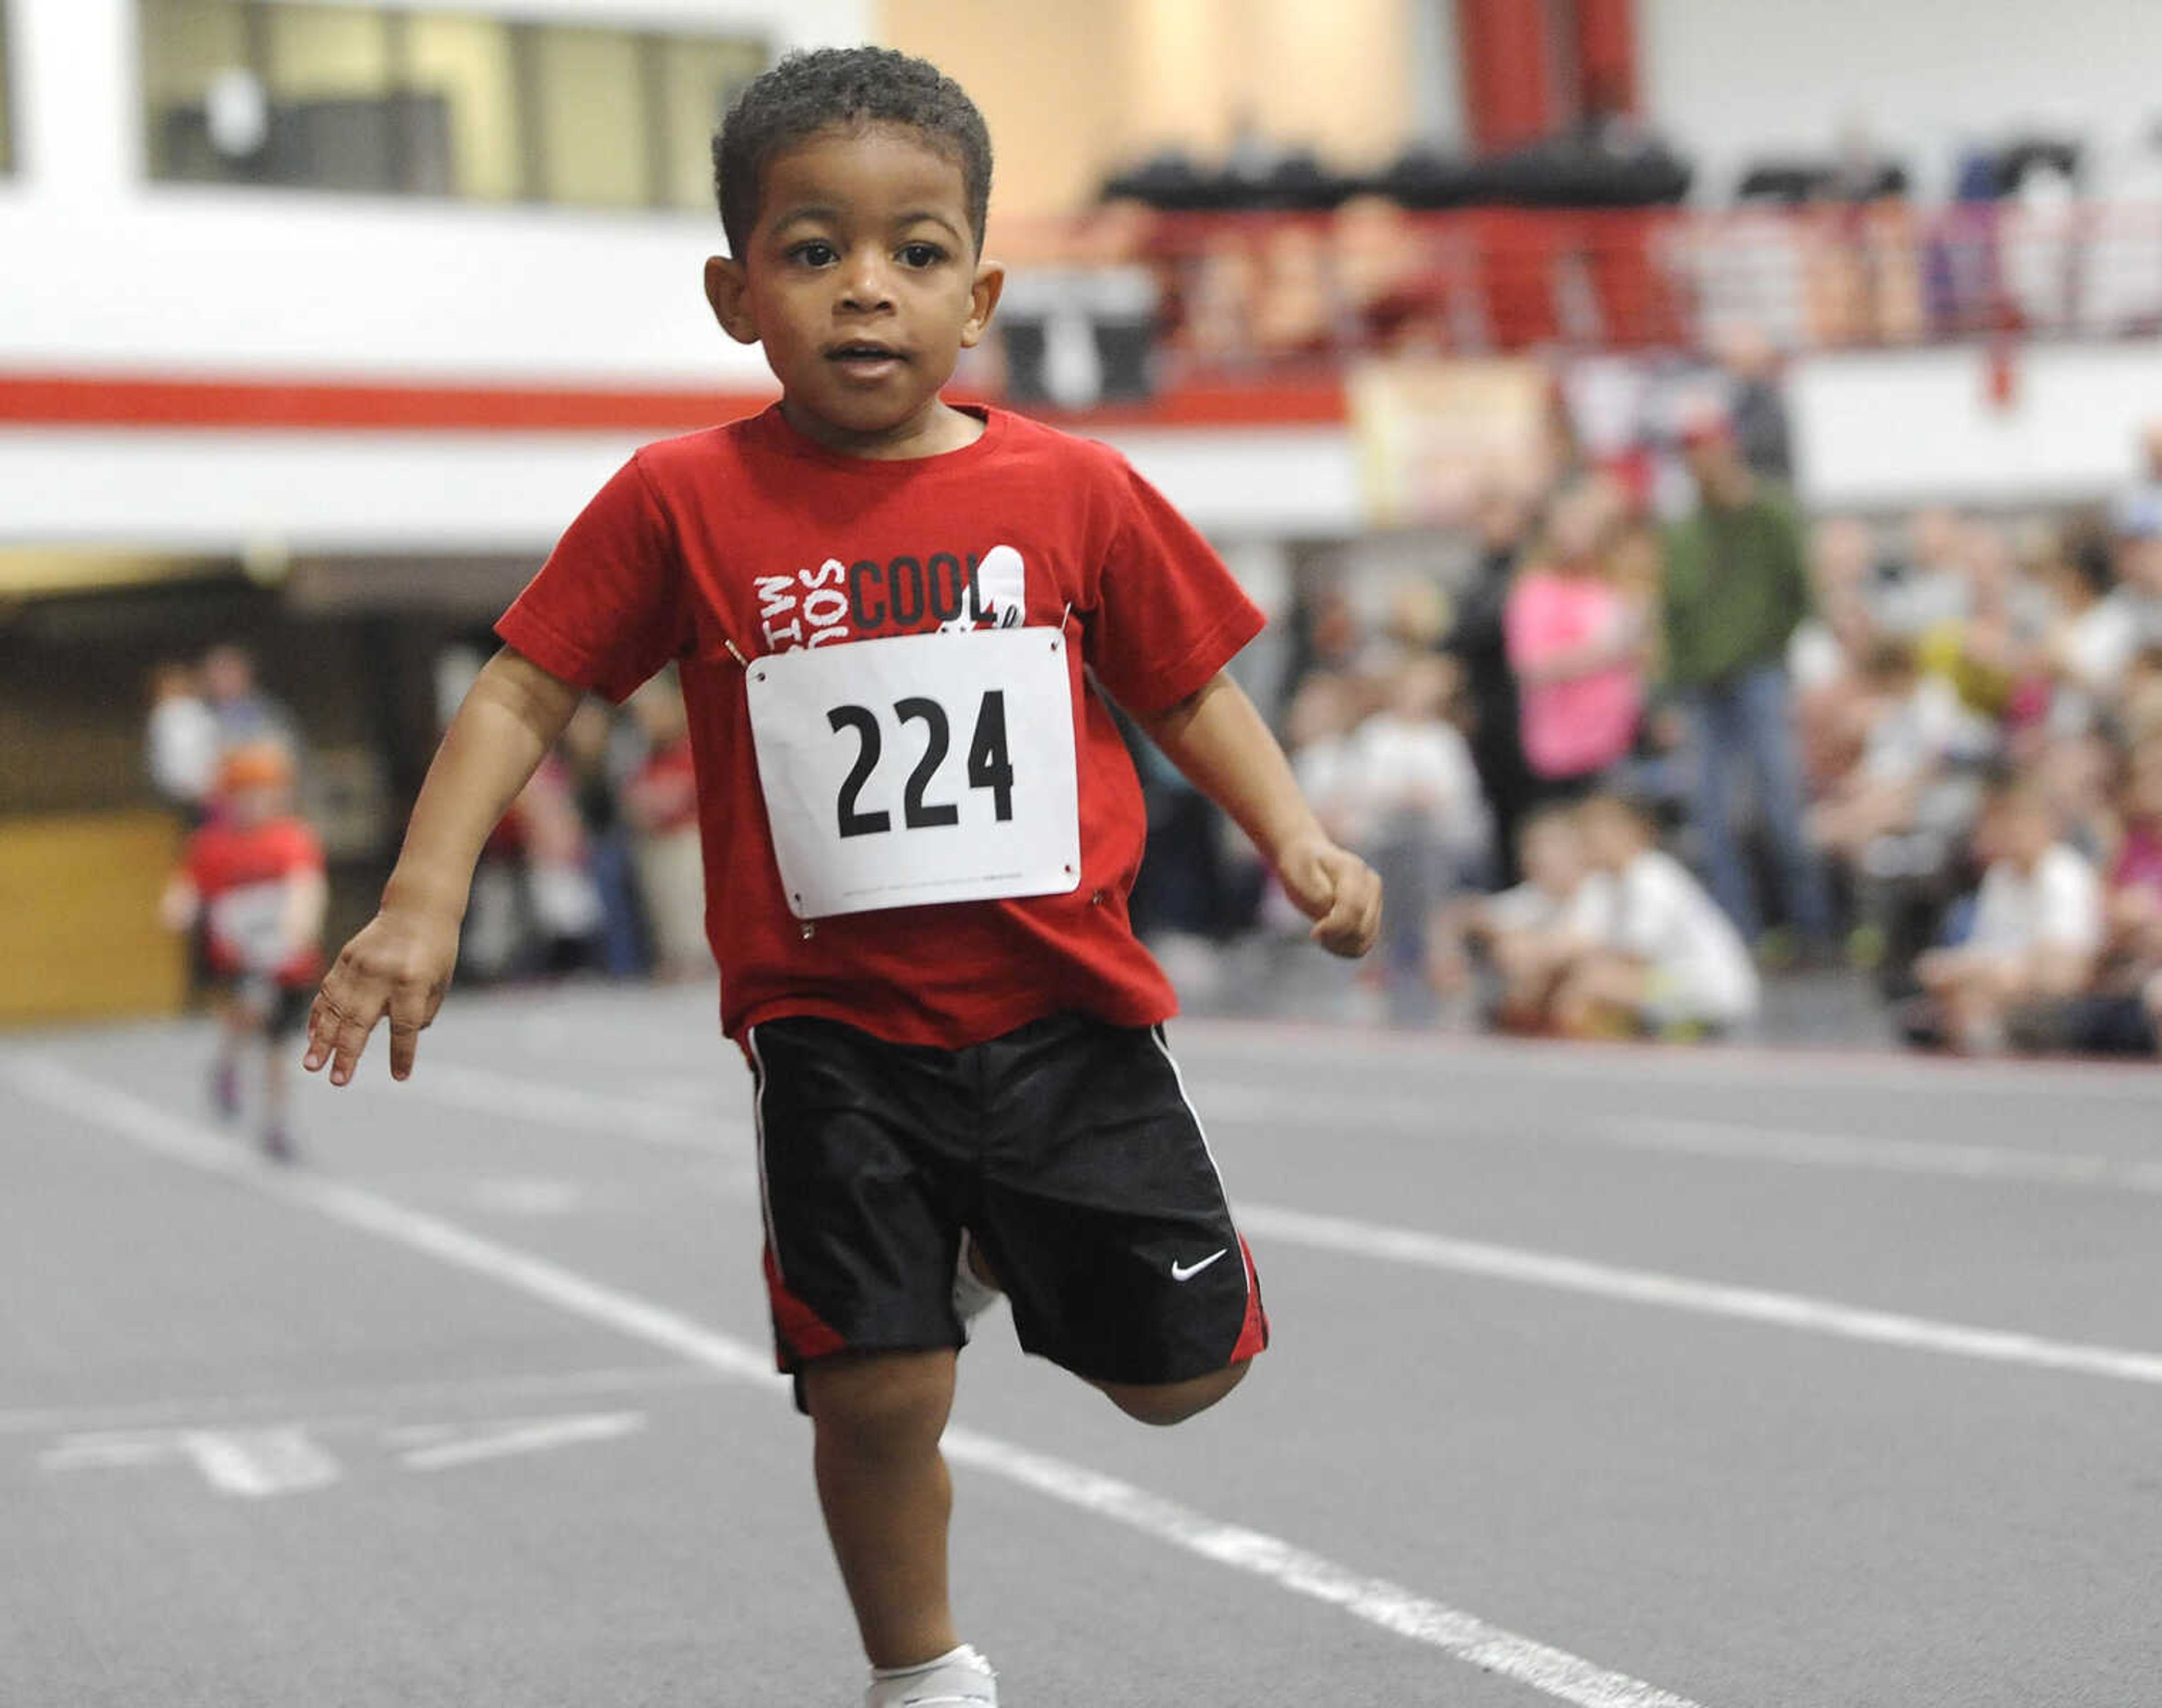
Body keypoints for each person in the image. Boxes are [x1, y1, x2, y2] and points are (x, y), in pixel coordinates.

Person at [301, 48, 1381, 1708]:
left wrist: (1291, 834)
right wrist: (420, 895)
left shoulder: (1072, 489)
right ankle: (919, 1670)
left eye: (915, 253)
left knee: (1180, 1384)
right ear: (736, 293)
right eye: (812, 253)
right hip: (832, 1038)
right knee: (873, 1392)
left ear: (980, 293)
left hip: (1063, 1018)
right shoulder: (682, 498)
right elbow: (526, 685)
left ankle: (997, 1240)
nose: (864, 292)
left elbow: (1185, 684)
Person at [1661, 403, 1834, 953]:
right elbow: (1674, 612)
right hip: (1700, 685)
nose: (1700, 463)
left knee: (1782, 806)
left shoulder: (1771, 515)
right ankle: (1739, 936)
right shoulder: (1685, 530)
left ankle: (1813, 928)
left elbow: (1799, 594)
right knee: (1711, 819)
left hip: (1758, 675)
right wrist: (1670, 685)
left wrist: (1769, 648)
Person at [162, 741, 328, 1161]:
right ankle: (228, 1064)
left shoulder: (291, 839)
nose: (256, 803)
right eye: (246, 794)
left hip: (286, 959)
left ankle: (276, 1122)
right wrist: (178, 907)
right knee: (246, 1012)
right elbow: (189, 886)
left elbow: (306, 886)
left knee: (277, 1044)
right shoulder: (212, 846)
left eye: (265, 793)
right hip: (237, 955)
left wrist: (299, 924)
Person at [1913, 778, 2102, 1054]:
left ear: (2042, 825)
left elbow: (2065, 972)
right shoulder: (2000, 877)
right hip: (1997, 987)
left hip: (2056, 1002)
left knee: (1976, 1005)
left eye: (2014, 824)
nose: (2005, 835)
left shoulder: (2065, 875)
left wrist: (1990, 974)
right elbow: (1984, 948)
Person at [1555, 794, 1761, 1039]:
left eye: (1600, 833)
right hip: (1660, 981)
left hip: (1706, 988)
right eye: (1587, 835)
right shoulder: (1601, 884)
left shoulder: (1654, 877)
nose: (1591, 843)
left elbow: (1635, 958)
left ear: (1633, 833)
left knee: (1593, 984)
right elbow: (1575, 939)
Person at [1504, 474, 1647, 797]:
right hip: (1564, 751)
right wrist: (1601, 652)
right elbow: (1530, 666)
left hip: (1617, 739)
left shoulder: (1611, 582)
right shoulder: (1536, 590)